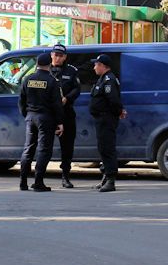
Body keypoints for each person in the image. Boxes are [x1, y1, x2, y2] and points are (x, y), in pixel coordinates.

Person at [18, 53, 64, 192]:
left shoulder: (27, 79)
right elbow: (57, 104)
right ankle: (38, 182)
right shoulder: (51, 81)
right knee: (44, 150)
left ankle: (23, 182)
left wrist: (27, 115)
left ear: (37, 64)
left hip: (31, 117)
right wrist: (60, 122)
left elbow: (21, 101)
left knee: (28, 149)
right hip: (45, 119)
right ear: (49, 65)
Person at [89, 54, 126, 193]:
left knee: (107, 148)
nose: (94, 67)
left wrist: (119, 112)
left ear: (103, 66)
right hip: (101, 119)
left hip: (106, 119)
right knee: (103, 148)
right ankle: (105, 176)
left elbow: (114, 100)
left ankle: (111, 180)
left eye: (96, 65)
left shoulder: (109, 80)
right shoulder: (102, 79)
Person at [50, 44, 81, 188]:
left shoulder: (71, 71)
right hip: (48, 114)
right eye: (55, 55)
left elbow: (77, 89)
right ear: (51, 55)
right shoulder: (45, 69)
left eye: (60, 55)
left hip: (66, 112)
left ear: (65, 57)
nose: (57, 58)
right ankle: (38, 177)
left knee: (67, 147)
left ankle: (65, 176)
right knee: (44, 145)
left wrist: (67, 98)